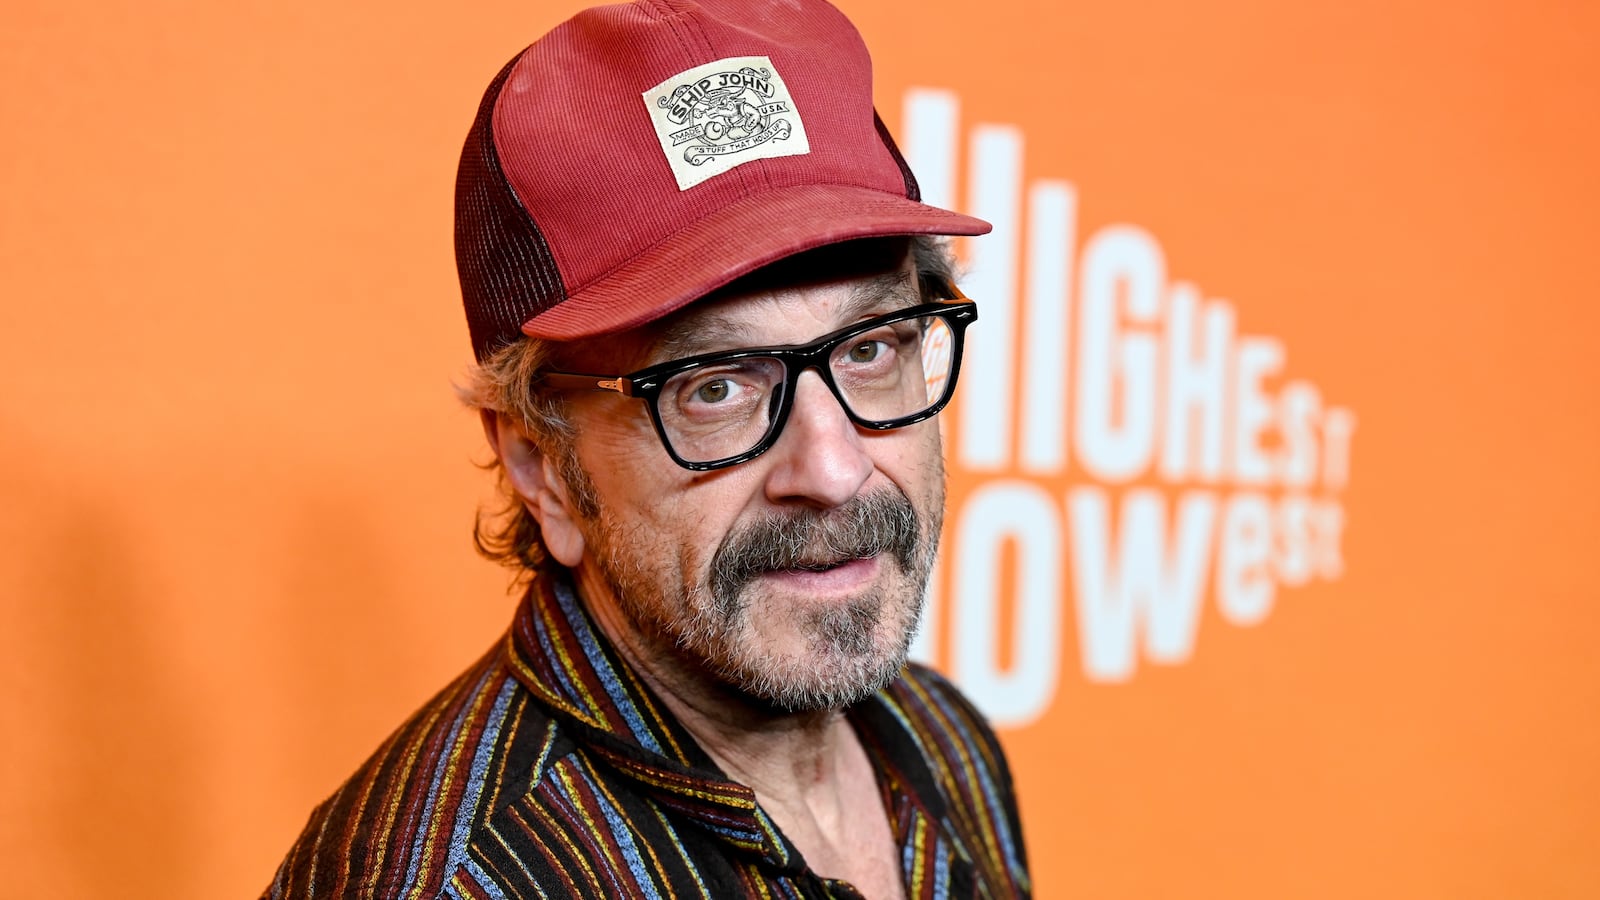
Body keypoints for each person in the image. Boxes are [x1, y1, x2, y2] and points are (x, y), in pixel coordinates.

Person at [264, 0, 1031, 897]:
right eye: (715, 387)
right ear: (543, 467)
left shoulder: (943, 741)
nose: (832, 468)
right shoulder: (462, 882)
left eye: (869, 350)